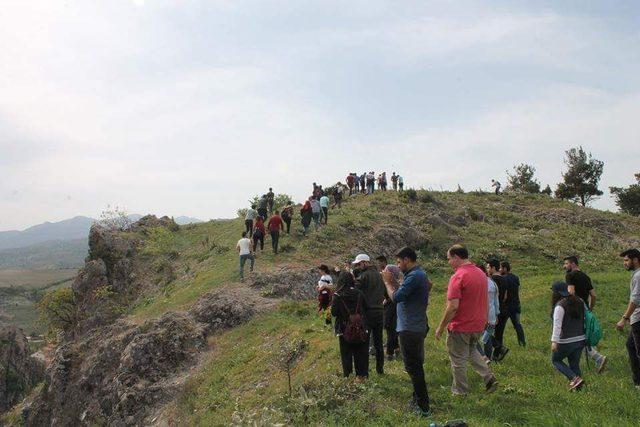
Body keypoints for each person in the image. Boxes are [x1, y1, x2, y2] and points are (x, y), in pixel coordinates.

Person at [435, 245, 498, 396]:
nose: (449, 262)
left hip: (461, 324)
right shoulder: (481, 274)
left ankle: (460, 392)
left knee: (458, 359)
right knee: (471, 350)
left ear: (456, 257)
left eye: (449, 259)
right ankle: (488, 377)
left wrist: (441, 327)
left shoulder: (458, 276)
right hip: (478, 323)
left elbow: (453, 307)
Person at [381, 247, 431, 417]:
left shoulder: (415, 276)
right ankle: (417, 397)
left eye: (399, 261)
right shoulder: (416, 275)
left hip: (410, 328)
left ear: (407, 260)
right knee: (414, 365)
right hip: (414, 325)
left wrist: (388, 282)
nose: (398, 264)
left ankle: (423, 407)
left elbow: (396, 297)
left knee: (413, 367)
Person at [563, 256, 607, 372]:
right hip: (585, 310)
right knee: (584, 334)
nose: (564, 266)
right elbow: (593, 295)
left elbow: (571, 293)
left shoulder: (570, 276)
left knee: (577, 337)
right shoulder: (586, 276)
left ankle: (598, 358)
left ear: (572, 264)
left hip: (575, 311)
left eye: (566, 264)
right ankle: (595, 358)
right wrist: (590, 308)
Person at [331, 271, 370, 379]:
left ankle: (347, 377)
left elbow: (334, 313)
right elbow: (366, 307)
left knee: (346, 355)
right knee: (361, 353)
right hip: (360, 327)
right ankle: (362, 376)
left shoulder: (338, 295)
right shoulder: (359, 293)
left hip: (344, 328)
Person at [353, 253, 386, 375]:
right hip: (380, 312)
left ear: (364, 263)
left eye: (358, 264)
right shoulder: (380, 275)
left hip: (367, 314)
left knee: (364, 344)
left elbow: (355, 291)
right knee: (378, 343)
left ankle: (365, 372)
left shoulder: (363, 276)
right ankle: (380, 370)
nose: (357, 266)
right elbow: (387, 295)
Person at [550, 281, 586, 390]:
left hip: (566, 341)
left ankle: (574, 378)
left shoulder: (560, 306)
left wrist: (554, 341)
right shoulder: (579, 301)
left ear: (556, 293)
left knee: (556, 360)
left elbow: (557, 325)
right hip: (580, 339)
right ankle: (579, 388)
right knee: (574, 363)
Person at [615, 249, 640, 389]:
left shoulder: (638, 276)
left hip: (638, 318)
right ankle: (637, 382)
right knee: (631, 346)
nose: (624, 263)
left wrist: (624, 318)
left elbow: (635, 300)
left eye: (626, 260)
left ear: (635, 260)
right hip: (636, 318)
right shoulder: (636, 274)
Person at [376, 255, 401, 361]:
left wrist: (386, 300)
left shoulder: (391, 282)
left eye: (379, 263)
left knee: (390, 327)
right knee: (391, 327)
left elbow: (391, 295)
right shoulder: (396, 283)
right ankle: (397, 348)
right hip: (390, 305)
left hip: (390, 306)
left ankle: (390, 353)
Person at [499, 261, 526, 347]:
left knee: (500, 328)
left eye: (500, 268)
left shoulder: (503, 279)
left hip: (506, 307)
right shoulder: (516, 277)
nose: (499, 270)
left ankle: (499, 345)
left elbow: (505, 295)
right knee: (517, 325)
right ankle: (522, 343)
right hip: (516, 305)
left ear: (505, 269)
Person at [476, 264, 500, 363]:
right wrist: (496, 314)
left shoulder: (477, 283)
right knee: (488, 337)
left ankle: (483, 357)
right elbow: (496, 301)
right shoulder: (493, 283)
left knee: (473, 338)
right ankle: (488, 358)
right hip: (491, 315)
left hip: (480, 314)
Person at [487, 259, 510, 361]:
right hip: (504, 309)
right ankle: (496, 356)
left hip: (495, 309)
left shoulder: (492, 280)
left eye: (488, 267)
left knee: (486, 332)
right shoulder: (505, 278)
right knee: (499, 334)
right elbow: (505, 296)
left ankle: (499, 348)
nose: (487, 269)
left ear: (493, 268)